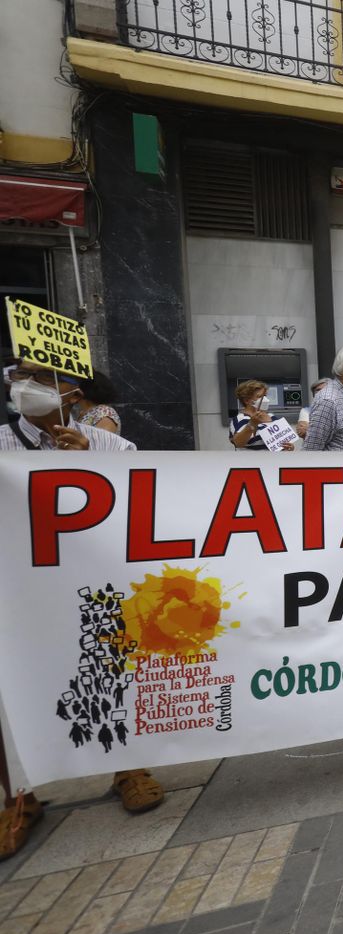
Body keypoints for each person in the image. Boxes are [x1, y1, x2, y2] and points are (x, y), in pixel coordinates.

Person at [1, 362, 164, 862]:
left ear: (68, 389)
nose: (25, 386)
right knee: (17, 687)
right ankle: (20, 798)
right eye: (20, 375)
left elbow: (149, 491)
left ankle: (128, 768)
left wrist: (91, 461)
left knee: (111, 669)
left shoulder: (109, 444)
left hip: (95, 585)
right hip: (21, 593)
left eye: (41, 376)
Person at [231, 379, 295, 451]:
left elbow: (281, 444)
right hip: (249, 461)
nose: (264, 399)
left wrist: (288, 447)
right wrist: (252, 425)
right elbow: (238, 443)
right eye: (259, 396)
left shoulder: (272, 417)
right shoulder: (239, 419)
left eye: (265, 395)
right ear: (247, 400)